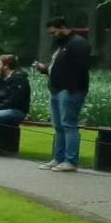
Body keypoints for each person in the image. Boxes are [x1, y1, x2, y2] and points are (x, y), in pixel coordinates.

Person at [33, 17, 92, 172]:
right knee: (59, 126)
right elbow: (58, 68)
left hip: (70, 91)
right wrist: (45, 70)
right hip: (56, 89)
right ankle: (58, 158)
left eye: (53, 31)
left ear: (62, 27)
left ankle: (71, 160)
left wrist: (69, 88)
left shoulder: (78, 43)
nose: (52, 35)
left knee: (69, 125)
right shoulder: (60, 44)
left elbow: (81, 69)